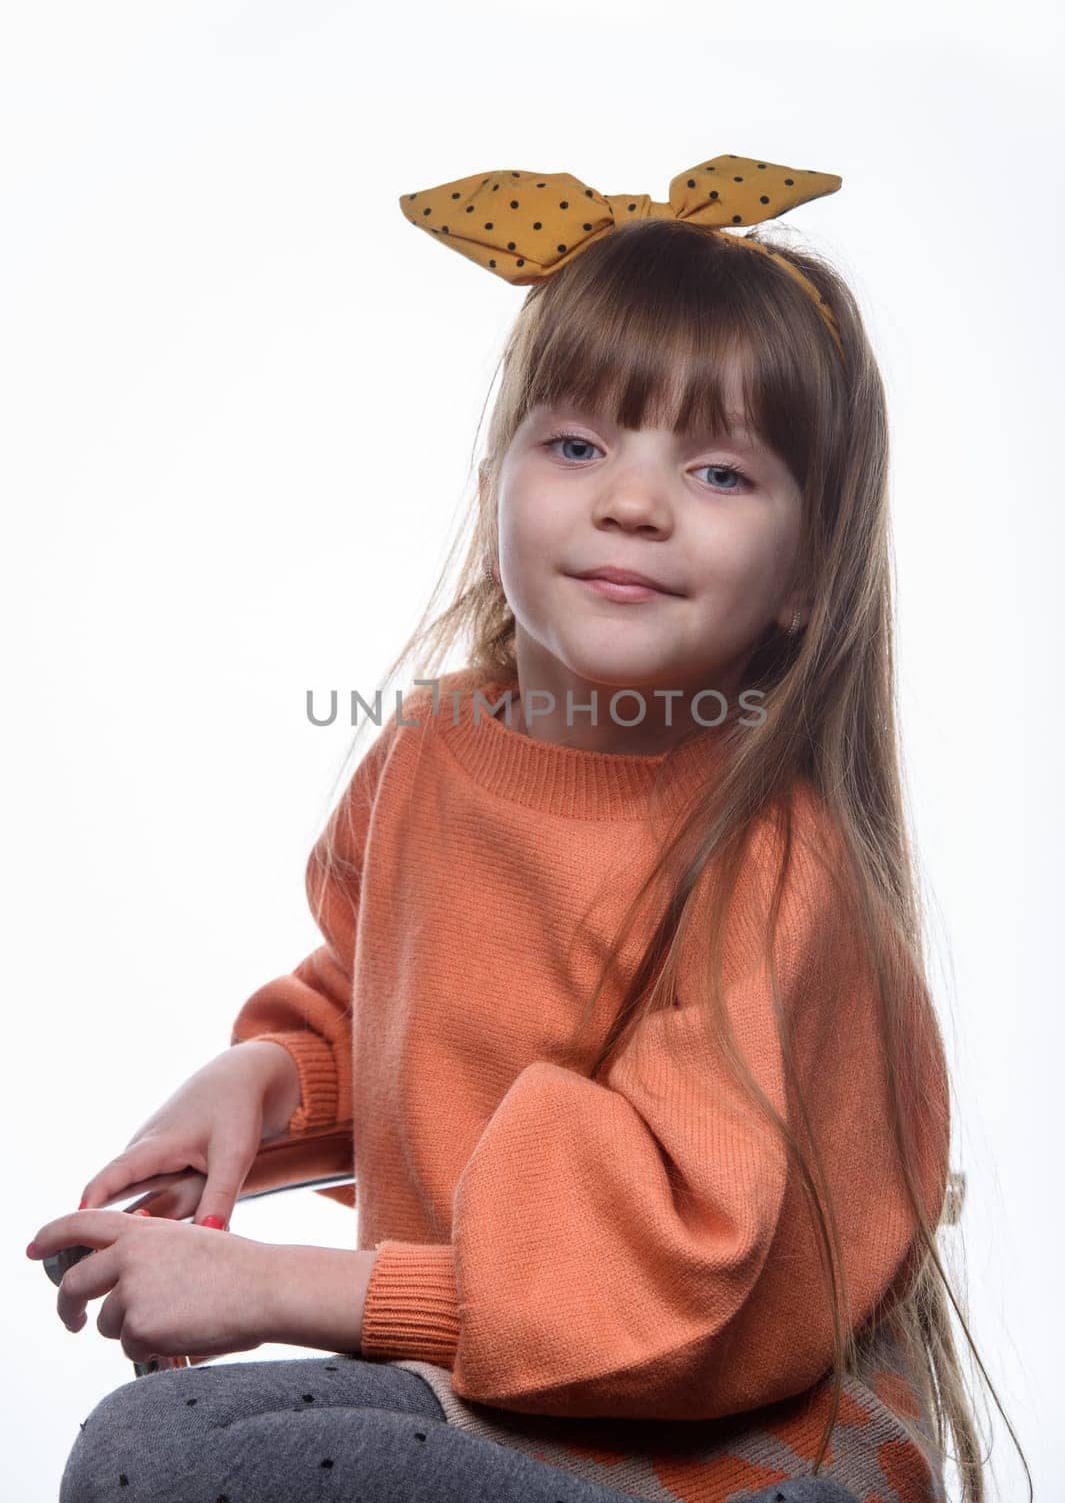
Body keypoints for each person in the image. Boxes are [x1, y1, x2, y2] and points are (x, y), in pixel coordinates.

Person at [31, 154, 1023, 1503]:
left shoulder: (773, 867)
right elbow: (379, 996)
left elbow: (674, 1285)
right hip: (497, 1388)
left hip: (727, 1447)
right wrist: (265, 1085)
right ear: (497, 478)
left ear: (806, 576)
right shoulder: (433, 755)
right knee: (139, 1451)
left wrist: (266, 1285)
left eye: (720, 471)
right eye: (576, 444)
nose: (631, 498)